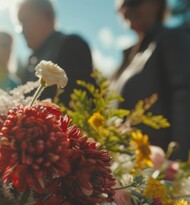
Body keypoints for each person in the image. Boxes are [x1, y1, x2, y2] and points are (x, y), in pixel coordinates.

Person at [111, 0, 190, 159]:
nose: (126, 11)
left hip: (159, 168)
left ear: (156, 4)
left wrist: (177, 162)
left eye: (132, 3)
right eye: (121, 7)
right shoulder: (129, 57)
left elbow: (185, 95)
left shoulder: (172, 38)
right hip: (125, 165)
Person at [16, 0, 93, 105]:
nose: (22, 30)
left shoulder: (72, 45)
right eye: (20, 23)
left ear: (48, 17)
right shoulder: (31, 60)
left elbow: (75, 103)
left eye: (26, 21)